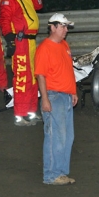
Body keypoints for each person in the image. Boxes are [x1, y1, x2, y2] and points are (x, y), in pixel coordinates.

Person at [34, 13, 77, 185]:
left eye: (66, 27)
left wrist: (72, 91)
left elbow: (67, 69)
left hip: (65, 96)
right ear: (53, 27)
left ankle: (60, 172)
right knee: (55, 137)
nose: (66, 30)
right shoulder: (45, 48)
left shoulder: (64, 45)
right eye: (63, 26)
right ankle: (51, 175)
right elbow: (40, 75)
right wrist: (45, 99)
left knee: (66, 137)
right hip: (54, 95)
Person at [0, 0, 43, 126]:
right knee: (22, 78)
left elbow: (39, 5)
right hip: (20, 41)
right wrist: (10, 40)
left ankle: (30, 111)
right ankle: (20, 114)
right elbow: (4, 20)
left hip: (30, 42)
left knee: (33, 77)